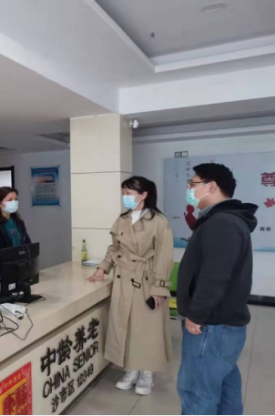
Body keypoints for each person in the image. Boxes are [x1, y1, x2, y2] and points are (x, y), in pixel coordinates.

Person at [177, 164, 257, 416]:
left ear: (211, 186)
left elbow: (215, 275)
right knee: (224, 386)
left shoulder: (222, 222)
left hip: (211, 325)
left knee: (197, 392)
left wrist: (196, 314)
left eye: (192, 184)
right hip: (222, 324)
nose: (189, 190)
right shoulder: (225, 220)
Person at [88, 176, 174, 396]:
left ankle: (147, 373)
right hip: (123, 279)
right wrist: (103, 267)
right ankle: (131, 369)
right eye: (123, 193)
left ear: (143, 195)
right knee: (125, 327)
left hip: (147, 280)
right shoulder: (123, 219)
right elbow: (114, 248)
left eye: (128, 193)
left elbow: (164, 256)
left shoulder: (158, 221)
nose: (124, 197)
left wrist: (160, 288)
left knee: (146, 329)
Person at [0, 187, 32, 254]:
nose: (14, 202)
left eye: (16, 199)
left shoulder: (18, 221)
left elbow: (27, 243)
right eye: (10, 200)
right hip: (2, 260)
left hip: (21, 259)